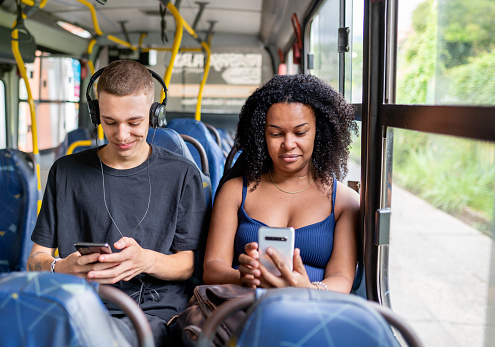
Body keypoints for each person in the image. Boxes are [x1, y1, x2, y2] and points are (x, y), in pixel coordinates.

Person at [27, 60, 208, 346]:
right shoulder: (64, 172)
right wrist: (61, 267)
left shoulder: (182, 174)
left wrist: (146, 260)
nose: (121, 135)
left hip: (151, 312)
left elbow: (188, 264)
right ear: (97, 115)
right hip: (78, 304)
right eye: (110, 122)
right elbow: (35, 259)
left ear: (154, 115)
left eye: (134, 123)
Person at [203, 74, 359, 294]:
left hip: (312, 312)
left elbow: (342, 278)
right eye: (276, 134)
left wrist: (309, 289)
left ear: (319, 132)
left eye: (300, 132)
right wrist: (244, 276)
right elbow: (211, 269)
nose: (288, 144)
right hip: (244, 309)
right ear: (261, 135)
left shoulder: (345, 202)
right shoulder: (236, 191)